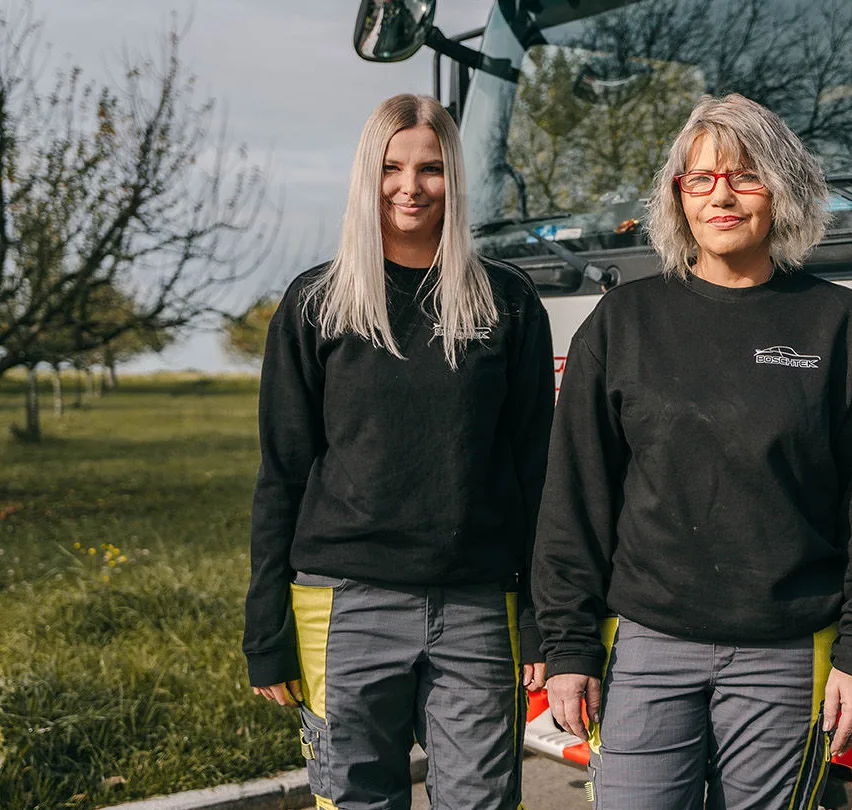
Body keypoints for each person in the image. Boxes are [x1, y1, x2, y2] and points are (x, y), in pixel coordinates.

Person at [533, 93, 852, 809]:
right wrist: (569, 646)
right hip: (647, 646)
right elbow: (575, 499)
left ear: (782, 189)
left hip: (786, 654)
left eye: (745, 176)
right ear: (679, 196)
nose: (721, 196)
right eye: (701, 178)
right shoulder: (623, 321)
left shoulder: (840, 324)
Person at [243, 93, 554, 810]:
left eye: (430, 168)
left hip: (479, 605)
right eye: (391, 167)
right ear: (367, 174)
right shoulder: (316, 303)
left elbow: (538, 474)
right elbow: (282, 474)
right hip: (344, 604)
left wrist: (543, 618)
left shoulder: (506, 303)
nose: (409, 186)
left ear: (455, 178)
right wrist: (266, 629)